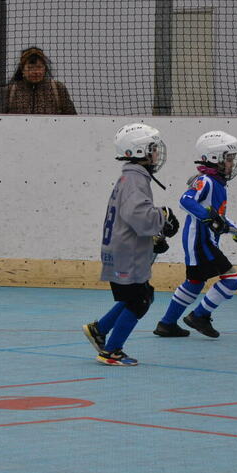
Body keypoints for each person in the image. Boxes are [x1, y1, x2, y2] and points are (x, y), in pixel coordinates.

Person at [82, 123, 179, 366]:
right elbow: (140, 215)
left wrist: (155, 235)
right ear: (138, 151)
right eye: (152, 149)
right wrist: (163, 216)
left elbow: (132, 216)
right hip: (126, 253)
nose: (156, 153)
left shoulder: (132, 177)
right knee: (139, 300)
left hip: (125, 249)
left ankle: (99, 329)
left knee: (140, 294)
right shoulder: (135, 180)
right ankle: (112, 351)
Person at [153, 131, 237, 339]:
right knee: (232, 280)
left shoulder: (218, 184)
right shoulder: (205, 181)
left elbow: (219, 219)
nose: (232, 163)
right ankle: (200, 316)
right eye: (229, 158)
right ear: (215, 158)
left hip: (202, 242)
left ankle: (166, 324)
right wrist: (209, 217)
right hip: (201, 242)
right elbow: (185, 200)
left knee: (194, 283)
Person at [0, 47, 76, 115]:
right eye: (30, 68)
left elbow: (73, 119)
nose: (35, 72)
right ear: (22, 69)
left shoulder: (58, 88)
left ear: (45, 68)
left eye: (39, 67)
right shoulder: (9, 91)